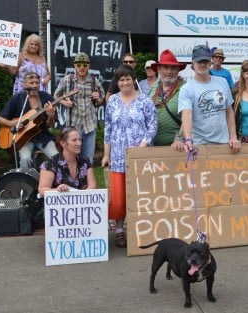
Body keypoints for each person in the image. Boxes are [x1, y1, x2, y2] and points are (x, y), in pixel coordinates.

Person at [102, 65, 158, 248]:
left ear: (134, 79)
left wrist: (143, 144)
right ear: (117, 83)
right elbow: (108, 129)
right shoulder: (112, 102)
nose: (125, 83)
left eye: (128, 79)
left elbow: (152, 125)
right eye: (121, 80)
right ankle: (119, 230)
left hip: (139, 156)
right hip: (118, 156)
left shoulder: (145, 101)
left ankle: (140, 230)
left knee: (140, 194)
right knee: (119, 198)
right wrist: (106, 154)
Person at [178, 45, 240, 154]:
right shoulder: (186, 88)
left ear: (210, 62)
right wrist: (188, 139)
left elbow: (229, 111)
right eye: (199, 61)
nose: (202, 64)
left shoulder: (223, 82)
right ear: (193, 63)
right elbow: (187, 114)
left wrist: (233, 136)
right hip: (198, 145)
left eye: (205, 61)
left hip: (224, 143)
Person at [0, 72, 57, 169]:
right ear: (24, 84)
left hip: (43, 136)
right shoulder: (17, 98)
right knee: (25, 159)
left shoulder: (46, 98)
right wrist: (13, 123)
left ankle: (54, 182)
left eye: (37, 83)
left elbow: (50, 125)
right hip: (23, 139)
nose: (34, 86)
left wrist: (51, 116)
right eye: (31, 83)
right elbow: (0, 120)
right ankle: (25, 182)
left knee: (56, 157)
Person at [53, 52, 105, 164]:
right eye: (79, 65)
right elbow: (56, 95)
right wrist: (64, 102)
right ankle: (73, 180)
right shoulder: (68, 80)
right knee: (72, 157)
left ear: (88, 66)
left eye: (85, 65)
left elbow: (101, 98)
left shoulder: (94, 81)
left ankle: (86, 180)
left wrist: (98, 98)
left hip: (90, 124)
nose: (82, 68)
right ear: (74, 66)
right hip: (73, 125)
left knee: (88, 158)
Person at [38, 126, 97, 197]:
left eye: (79, 140)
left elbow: (92, 186)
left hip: (81, 206)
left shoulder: (85, 161)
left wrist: (81, 198)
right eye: (74, 140)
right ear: (63, 143)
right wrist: (57, 190)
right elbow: (42, 190)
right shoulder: (50, 164)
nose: (79, 143)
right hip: (59, 205)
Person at [149, 49, 187, 149]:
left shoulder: (185, 89)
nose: (169, 72)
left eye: (173, 68)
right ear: (158, 69)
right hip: (152, 147)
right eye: (165, 67)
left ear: (178, 70)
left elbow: (189, 117)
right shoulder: (153, 88)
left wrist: (179, 138)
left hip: (176, 148)